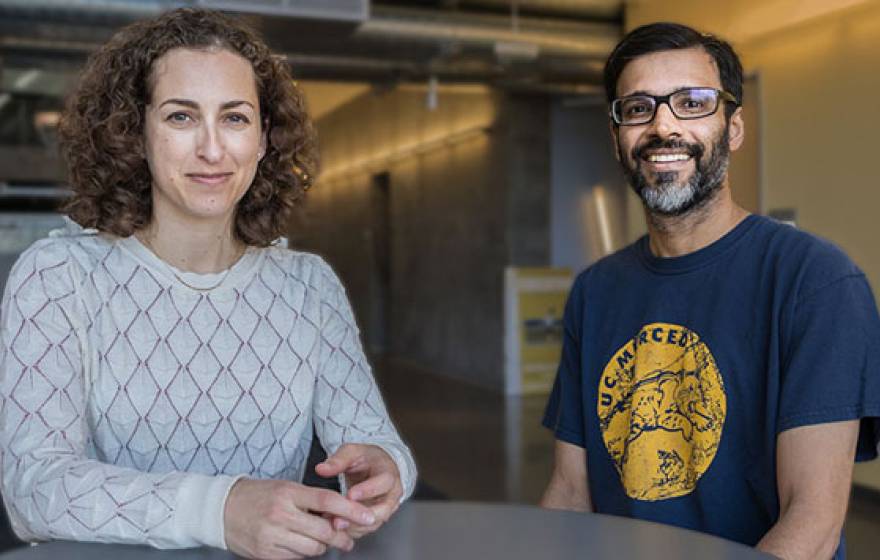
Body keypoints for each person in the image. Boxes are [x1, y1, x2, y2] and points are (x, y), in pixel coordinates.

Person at [0, 8, 416, 559]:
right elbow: (34, 490)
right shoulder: (58, 277)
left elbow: (375, 441)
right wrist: (221, 509)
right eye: (181, 117)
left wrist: (386, 468)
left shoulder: (308, 286)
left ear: (264, 139)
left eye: (236, 118)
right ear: (135, 131)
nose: (213, 149)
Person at [540, 21, 880, 560]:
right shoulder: (596, 291)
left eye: (692, 102)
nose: (662, 126)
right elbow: (569, 489)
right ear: (617, 137)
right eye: (637, 108)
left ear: (734, 127)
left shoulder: (816, 283)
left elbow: (811, 525)